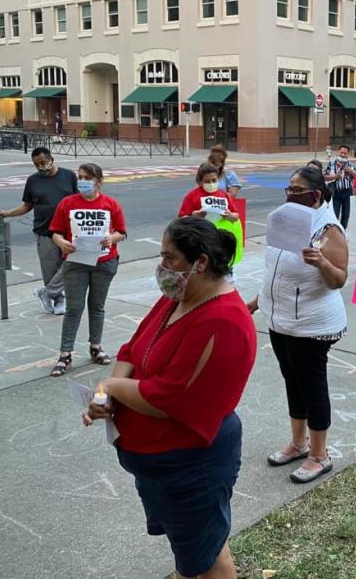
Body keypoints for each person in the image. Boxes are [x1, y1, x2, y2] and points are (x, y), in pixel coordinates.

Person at [83, 217, 256, 579]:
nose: (162, 267)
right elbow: (132, 349)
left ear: (201, 262)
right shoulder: (178, 298)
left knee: (203, 559)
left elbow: (169, 398)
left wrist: (112, 388)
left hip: (193, 466)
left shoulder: (222, 321)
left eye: (170, 258)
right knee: (201, 548)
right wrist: (108, 396)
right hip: (161, 467)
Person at [247, 167, 349, 482]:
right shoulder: (287, 222)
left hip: (312, 325)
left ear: (316, 195)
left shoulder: (329, 230)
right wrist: (253, 304)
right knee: (293, 382)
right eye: (288, 188)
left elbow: (339, 280)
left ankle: (320, 455)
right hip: (281, 322)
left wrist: (322, 263)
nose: (290, 194)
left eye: (297, 189)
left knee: (312, 387)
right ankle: (298, 443)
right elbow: (274, 273)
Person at [48, 163, 127, 377]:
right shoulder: (67, 204)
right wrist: (61, 242)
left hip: (104, 262)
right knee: (74, 308)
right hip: (75, 263)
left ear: (99, 182)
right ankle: (65, 354)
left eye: (88, 178)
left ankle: (96, 346)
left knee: (97, 306)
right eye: (80, 177)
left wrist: (112, 238)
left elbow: (121, 231)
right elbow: (54, 232)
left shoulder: (110, 204)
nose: (83, 182)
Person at [0, 147, 78, 315]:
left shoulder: (68, 176)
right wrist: (8, 213)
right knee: (50, 269)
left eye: (43, 162)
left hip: (68, 230)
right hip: (44, 230)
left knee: (74, 264)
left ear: (51, 159)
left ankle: (46, 293)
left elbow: (78, 200)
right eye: (37, 164)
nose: (41, 167)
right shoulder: (33, 181)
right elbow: (27, 205)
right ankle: (58, 299)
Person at [324, 144, 356, 229]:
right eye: (341, 153)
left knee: (346, 215)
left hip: (347, 192)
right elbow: (324, 177)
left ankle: (343, 231)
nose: (343, 155)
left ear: (348, 154)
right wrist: (335, 177)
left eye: (345, 153)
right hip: (336, 192)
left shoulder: (351, 165)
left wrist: (351, 171)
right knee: (335, 213)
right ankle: (335, 232)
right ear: (338, 152)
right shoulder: (331, 164)